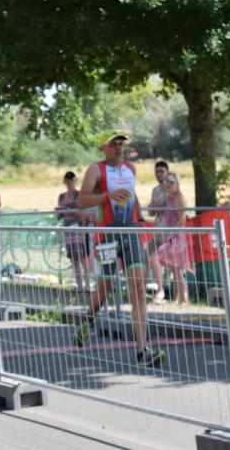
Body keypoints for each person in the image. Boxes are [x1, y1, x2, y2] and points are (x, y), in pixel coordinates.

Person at [76, 132, 165, 367]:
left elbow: (132, 194)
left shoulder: (130, 168)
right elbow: (82, 201)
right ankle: (88, 320)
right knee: (104, 290)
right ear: (103, 148)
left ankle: (142, 350)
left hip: (130, 232)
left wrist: (140, 217)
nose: (118, 147)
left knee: (138, 288)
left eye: (121, 144)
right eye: (113, 144)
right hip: (107, 236)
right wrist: (107, 196)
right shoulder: (96, 169)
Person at [156, 172, 194, 305]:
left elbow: (182, 220)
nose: (167, 184)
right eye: (166, 181)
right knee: (175, 269)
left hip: (176, 237)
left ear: (177, 184)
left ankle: (183, 299)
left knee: (174, 268)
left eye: (171, 182)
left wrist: (169, 235)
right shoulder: (168, 198)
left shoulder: (179, 198)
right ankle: (179, 298)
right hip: (171, 235)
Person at [56, 171, 92, 292]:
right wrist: (61, 211)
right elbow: (59, 216)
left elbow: (83, 213)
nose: (70, 182)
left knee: (82, 258)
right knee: (73, 259)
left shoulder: (80, 195)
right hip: (67, 229)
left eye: (72, 180)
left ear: (75, 181)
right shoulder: (61, 197)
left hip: (78, 228)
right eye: (68, 180)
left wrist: (71, 210)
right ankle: (80, 286)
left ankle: (87, 285)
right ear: (64, 181)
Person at [146, 161, 169, 303]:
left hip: (170, 232)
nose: (159, 174)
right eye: (157, 171)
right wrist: (154, 206)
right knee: (145, 255)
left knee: (156, 257)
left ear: (167, 172)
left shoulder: (171, 188)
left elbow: (170, 207)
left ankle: (161, 290)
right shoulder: (155, 190)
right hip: (158, 229)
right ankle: (141, 289)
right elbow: (151, 212)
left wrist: (156, 205)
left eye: (161, 171)